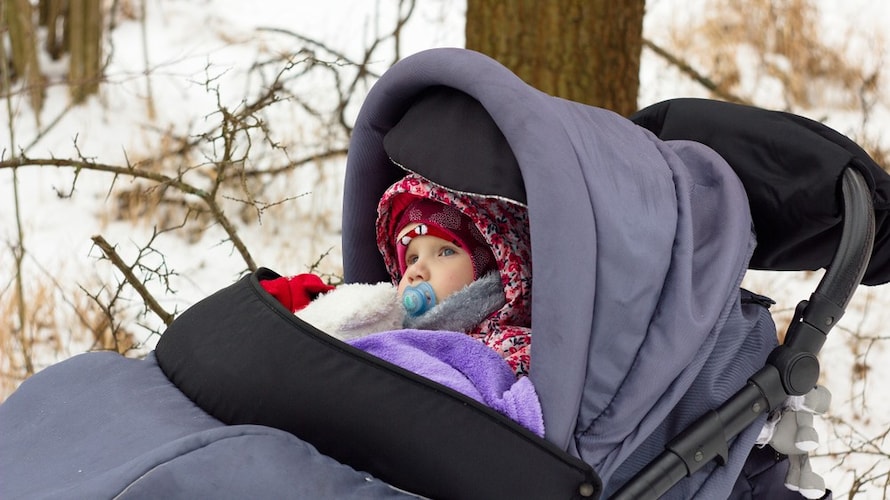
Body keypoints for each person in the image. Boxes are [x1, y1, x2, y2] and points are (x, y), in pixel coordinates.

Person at [262, 171, 533, 376]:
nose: (416, 270)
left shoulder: (509, 347)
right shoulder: (380, 329)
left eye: (445, 252)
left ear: (494, 266)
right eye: (412, 258)